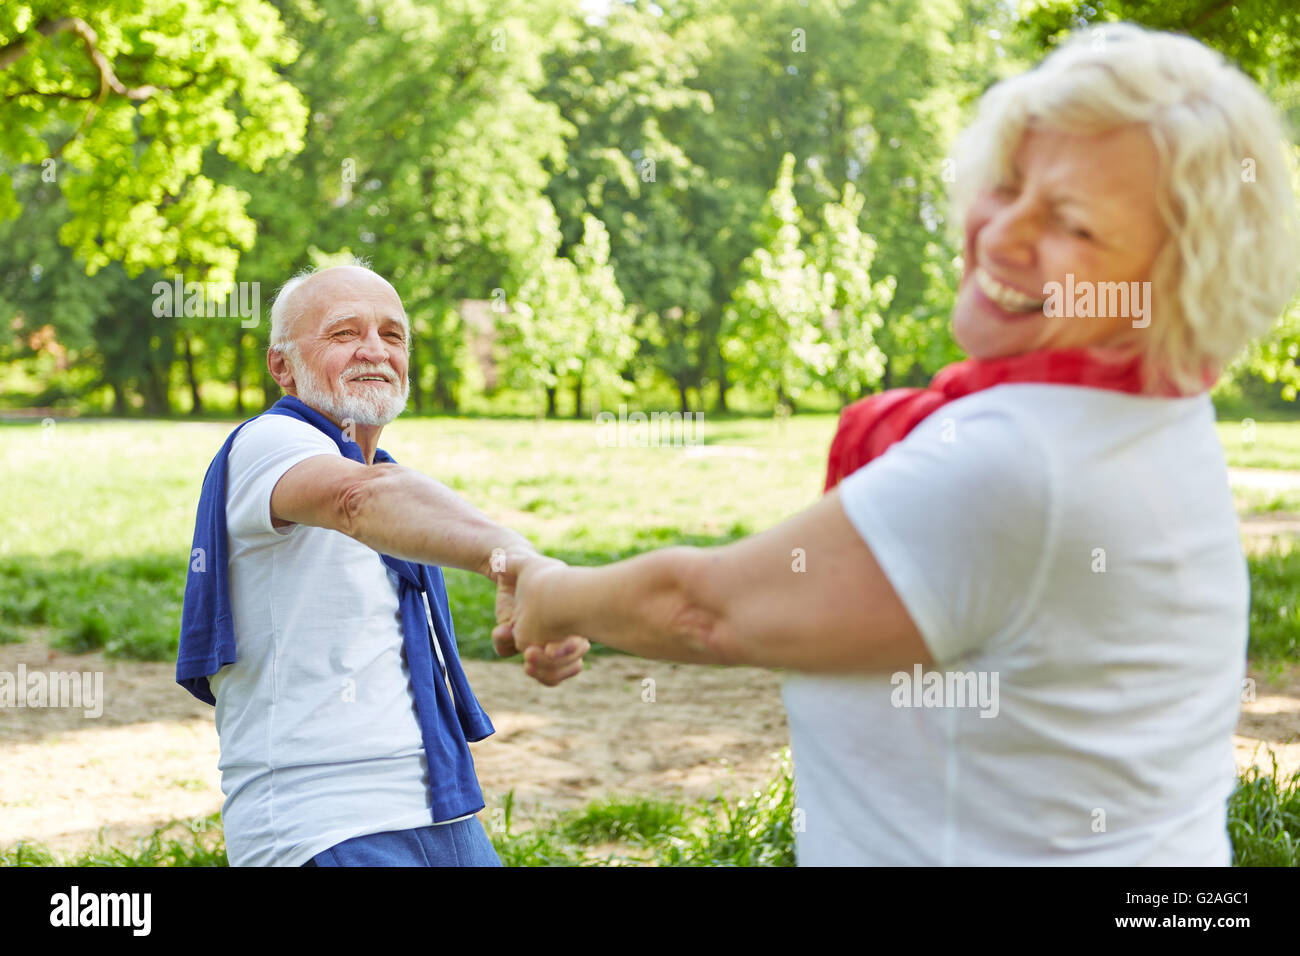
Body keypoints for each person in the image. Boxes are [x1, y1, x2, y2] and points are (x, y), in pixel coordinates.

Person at [492, 23, 1300, 865]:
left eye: (1074, 225)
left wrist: (550, 593)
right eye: (1010, 183)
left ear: (1175, 277)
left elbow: (706, 612)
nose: (1002, 235)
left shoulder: (1018, 460)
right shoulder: (1151, 411)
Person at [177, 261, 589, 867]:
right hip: (322, 822)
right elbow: (358, 501)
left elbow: (382, 494)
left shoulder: (387, 478)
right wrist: (516, 564)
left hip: (441, 807)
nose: (374, 350)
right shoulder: (268, 444)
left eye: (392, 336)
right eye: (344, 333)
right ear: (281, 365)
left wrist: (530, 588)